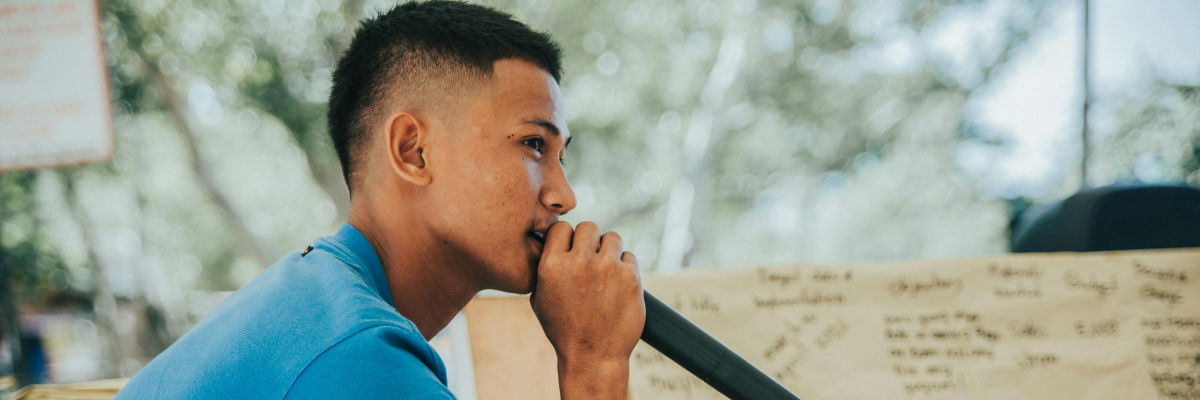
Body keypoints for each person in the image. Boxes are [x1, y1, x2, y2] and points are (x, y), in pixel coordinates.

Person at [112, 1, 646, 399]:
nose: (564, 196)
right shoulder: (358, 359)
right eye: (533, 145)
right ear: (413, 151)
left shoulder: (317, 305)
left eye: (560, 156)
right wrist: (594, 363)